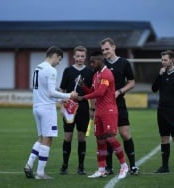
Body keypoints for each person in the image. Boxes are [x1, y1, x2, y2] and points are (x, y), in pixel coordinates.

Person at [24, 46, 78, 180]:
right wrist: (69, 95)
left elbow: (45, 92)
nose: (58, 63)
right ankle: (41, 173)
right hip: (47, 109)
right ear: (54, 55)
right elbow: (51, 92)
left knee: (42, 138)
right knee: (48, 140)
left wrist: (61, 98)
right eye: (59, 59)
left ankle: (29, 165)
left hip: (37, 106)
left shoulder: (38, 68)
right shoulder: (51, 70)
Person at [76, 51, 129, 179]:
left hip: (109, 111)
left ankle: (124, 166)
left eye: (93, 61)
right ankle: (101, 169)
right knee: (100, 140)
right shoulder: (96, 75)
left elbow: (100, 93)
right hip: (99, 111)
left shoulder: (107, 74)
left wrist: (82, 98)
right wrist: (83, 86)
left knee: (110, 138)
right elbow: (93, 92)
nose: (91, 64)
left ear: (100, 60)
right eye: (91, 61)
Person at [99, 37, 139, 175]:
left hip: (119, 103)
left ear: (114, 47)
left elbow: (132, 82)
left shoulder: (124, 63)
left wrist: (119, 92)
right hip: (104, 105)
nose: (105, 52)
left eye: (107, 49)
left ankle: (133, 165)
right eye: (103, 50)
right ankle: (109, 167)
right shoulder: (100, 64)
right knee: (108, 135)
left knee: (125, 134)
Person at [59, 46, 94, 175]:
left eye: (82, 56)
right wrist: (62, 106)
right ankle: (64, 165)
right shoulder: (67, 71)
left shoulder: (90, 72)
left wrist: (92, 108)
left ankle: (81, 167)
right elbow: (62, 90)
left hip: (84, 107)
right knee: (68, 136)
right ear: (73, 57)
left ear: (85, 57)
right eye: (77, 56)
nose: (79, 58)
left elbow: (92, 92)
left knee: (81, 137)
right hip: (69, 106)